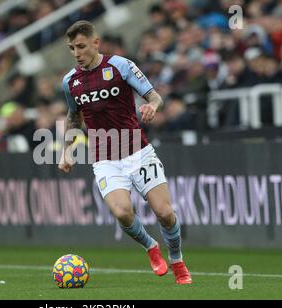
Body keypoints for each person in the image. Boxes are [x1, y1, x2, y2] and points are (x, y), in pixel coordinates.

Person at [58, 21, 192, 285]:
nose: (76, 53)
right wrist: (66, 151)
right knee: (121, 212)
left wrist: (152, 107)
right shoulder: (70, 82)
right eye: (72, 48)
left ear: (96, 44)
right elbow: (75, 117)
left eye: (81, 46)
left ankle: (176, 259)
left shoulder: (121, 66)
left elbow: (154, 96)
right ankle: (151, 246)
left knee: (164, 213)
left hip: (138, 152)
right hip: (105, 159)